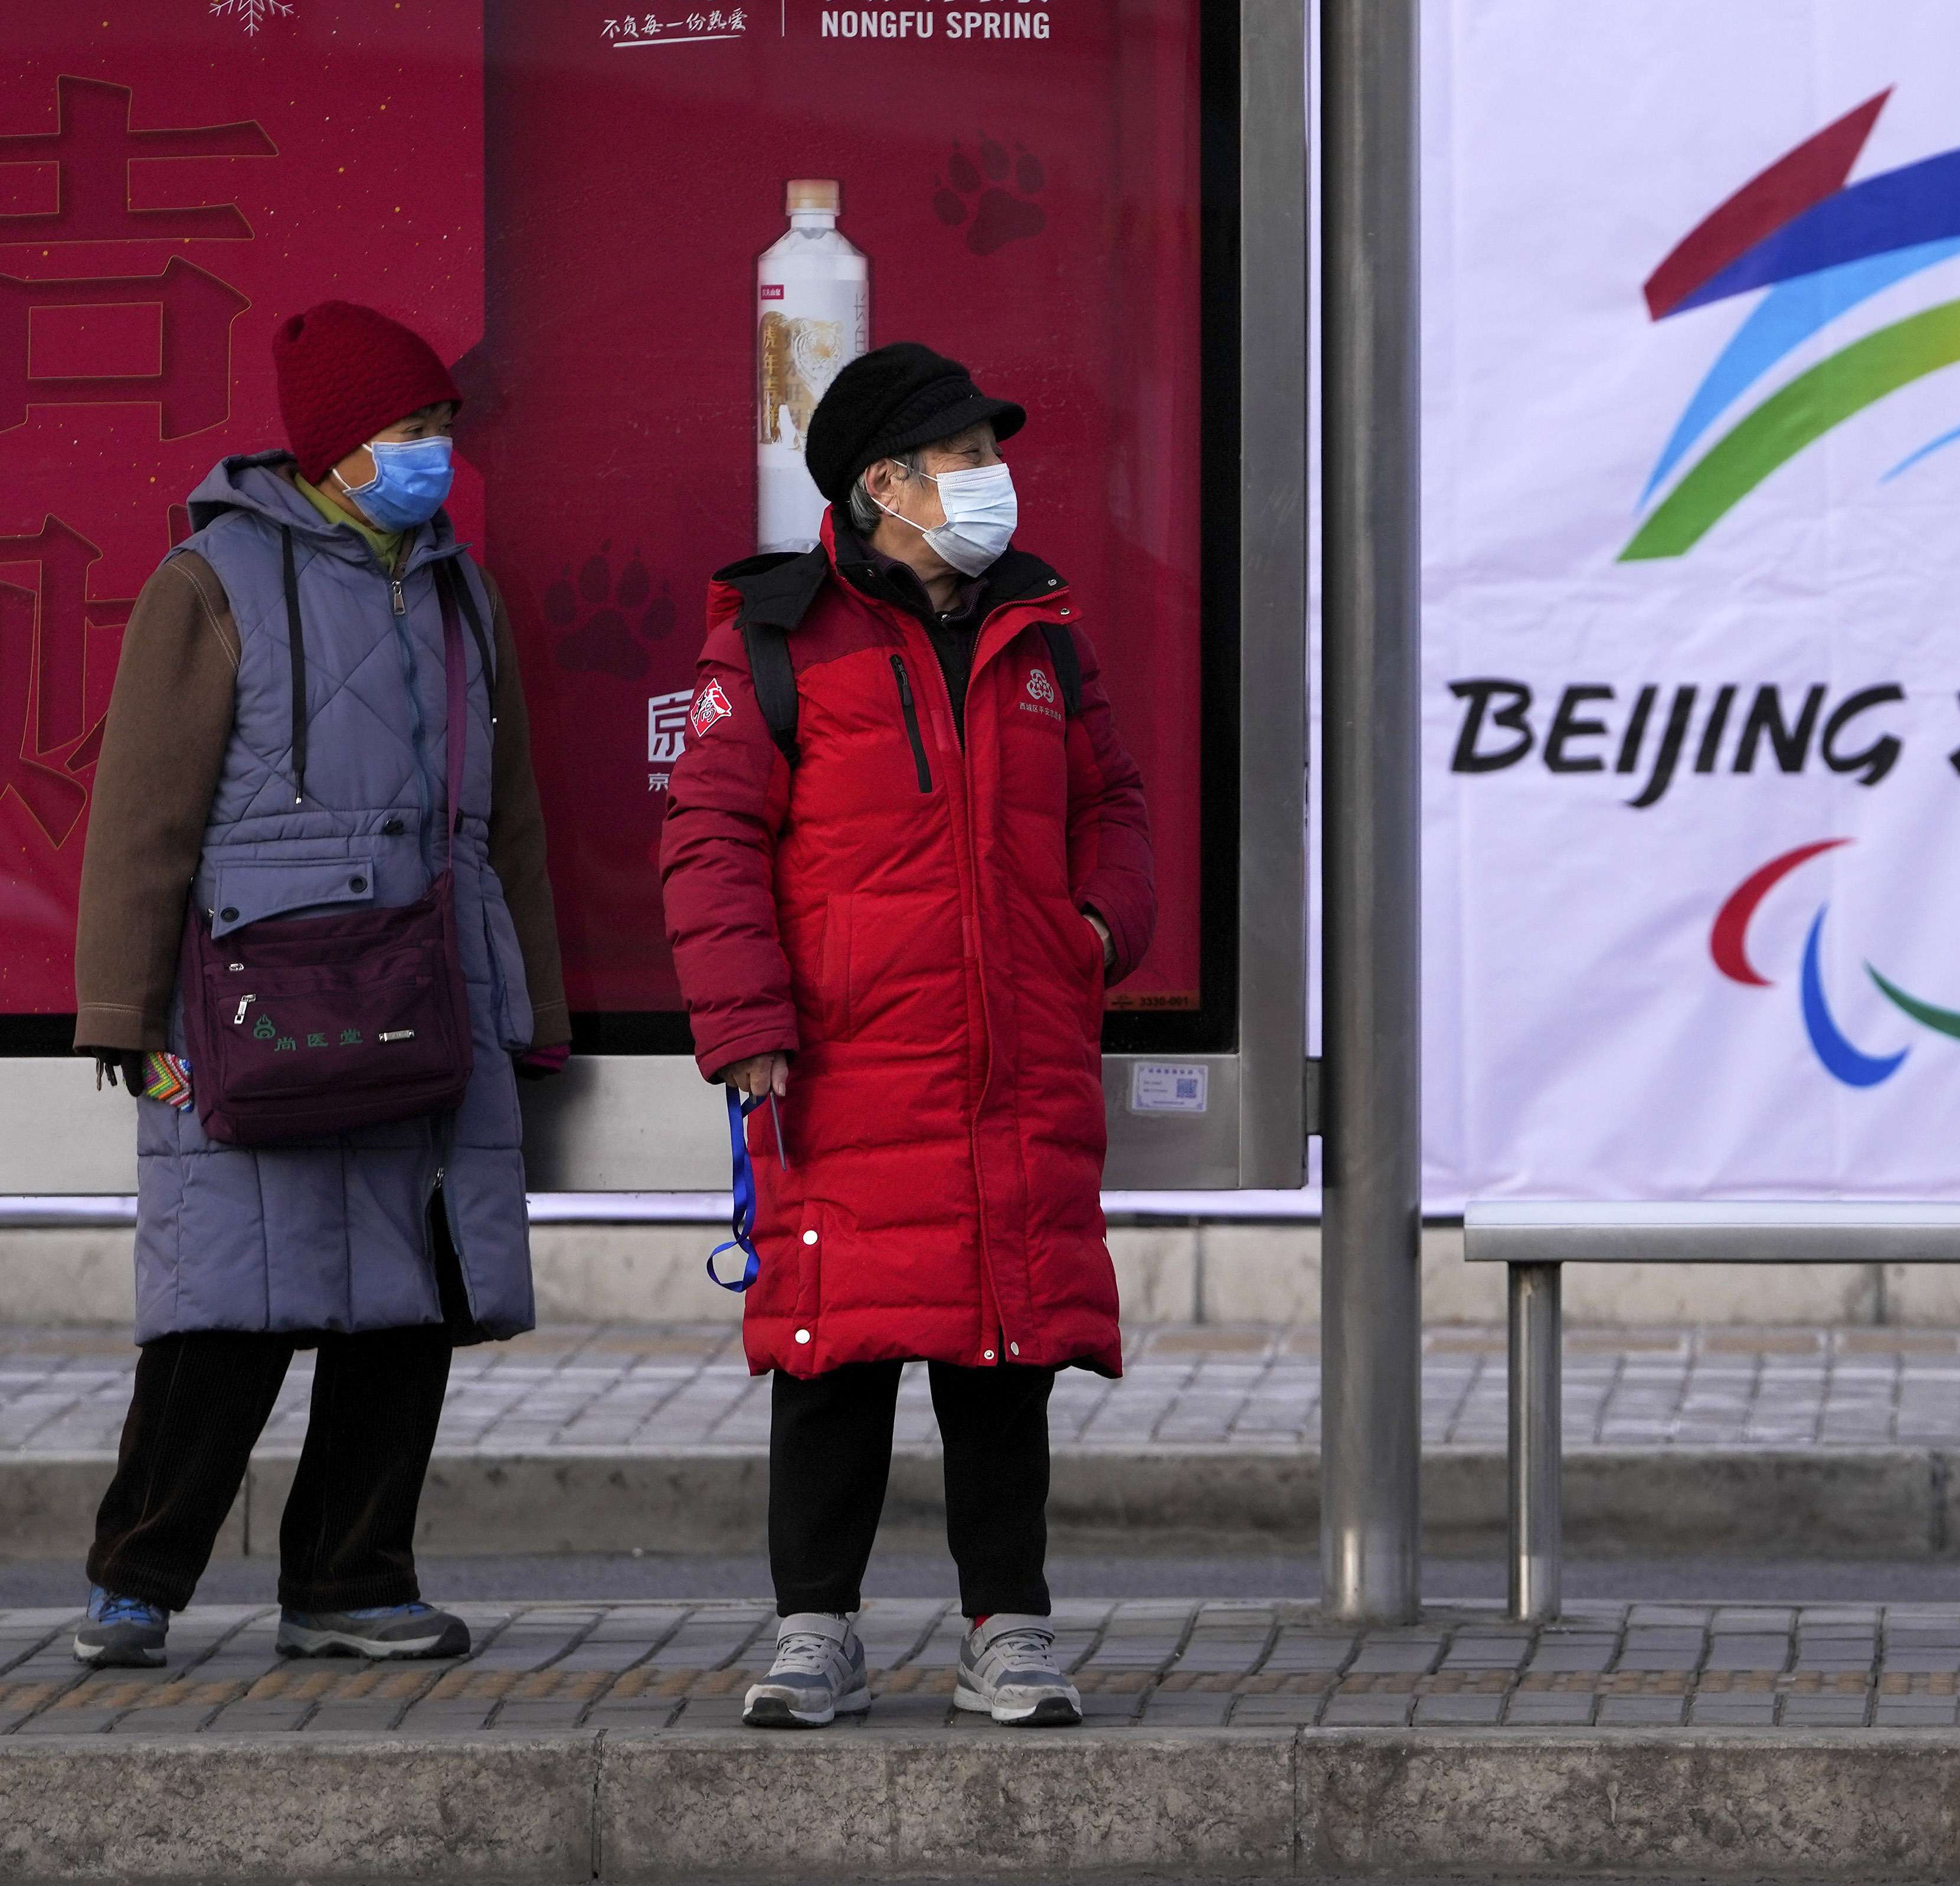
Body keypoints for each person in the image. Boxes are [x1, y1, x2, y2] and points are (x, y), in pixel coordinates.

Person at [659, 342, 1151, 1729]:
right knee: (834, 1348)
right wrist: (745, 1019)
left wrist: (1095, 932)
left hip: (1013, 1056)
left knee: (1007, 1350)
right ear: (884, 483)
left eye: (994, 454)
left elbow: (1112, 801)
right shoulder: (777, 637)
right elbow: (708, 837)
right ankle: (816, 1632)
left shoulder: (1040, 628)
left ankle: (1011, 1630)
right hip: (844, 1062)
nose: (995, 478)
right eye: (966, 457)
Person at [68, 300, 567, 1668]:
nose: (434, 453)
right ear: (338, 445)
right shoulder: (211, 580)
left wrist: (532, 1007)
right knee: (226, 1303)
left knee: (410, 1303)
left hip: (431, 990)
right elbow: (143, 815)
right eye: (411, 428)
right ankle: (135, 1577)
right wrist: (122, 1011)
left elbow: (509, 822)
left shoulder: (462, 591)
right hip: (259, 1001)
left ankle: (352, 1580)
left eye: (443, 426)